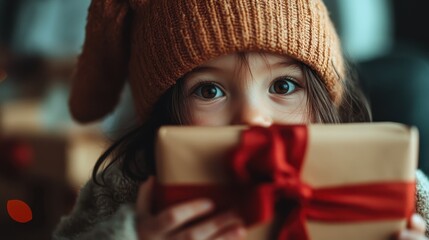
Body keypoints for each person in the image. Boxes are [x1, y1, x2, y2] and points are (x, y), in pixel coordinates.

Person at [53, 0, 429, 239]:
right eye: (209, 91)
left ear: (322, 101)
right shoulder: (124, 192)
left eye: (283, 85)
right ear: (162, 113)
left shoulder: (386, 186)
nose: (253, 117)